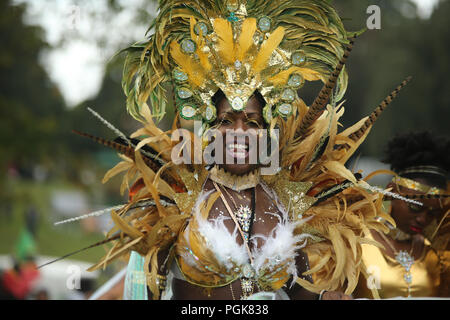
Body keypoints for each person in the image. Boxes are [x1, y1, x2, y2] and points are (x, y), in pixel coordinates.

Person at [69, 0, 416, 300]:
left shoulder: (287, 201)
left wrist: (325, 295)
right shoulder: (176, 199)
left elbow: (297, 291)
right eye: (227, 121)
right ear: (209, 128)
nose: (238, 132)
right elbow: (139, 286)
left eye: (251, 122)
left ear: (266, 133)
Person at [353, 131, 450, 299]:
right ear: (391, 191)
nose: (422, 219)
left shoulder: (438, 255)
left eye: (432, 213)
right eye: (415, 207)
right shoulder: (354, 243)